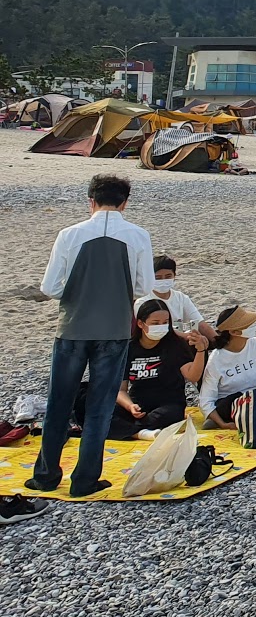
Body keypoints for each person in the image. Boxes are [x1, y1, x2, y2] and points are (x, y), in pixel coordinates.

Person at [28, 174, 156, 496]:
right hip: (114, 330)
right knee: (100, 407)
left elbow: (49, 288)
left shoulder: (69, 234)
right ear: (125, 202)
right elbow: (142, 288)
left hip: (73, 327)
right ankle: (85, 480)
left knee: (59, 402)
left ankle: (45, 476)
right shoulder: (138, 236)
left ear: (91, 200)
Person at [106, 299, 208, 440]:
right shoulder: (129, 349)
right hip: (138, 402)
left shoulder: (175, 345)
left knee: (166, 416)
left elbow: (192, 376)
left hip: (169, 403)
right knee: (104, 413)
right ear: (141, 324)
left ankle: (131, 430)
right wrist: (130, 406)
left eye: (165, 322)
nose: (161, 326)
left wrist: (201, 351)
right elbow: (120, 389)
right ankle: (140, 433)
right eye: (155, 323)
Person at [199, 306, 256, 429]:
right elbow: (206, 400)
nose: (253, 327)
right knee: (236, 402)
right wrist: (223, 424)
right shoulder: (217, 359)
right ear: (234, 332)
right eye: (248, 325)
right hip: (231, 403)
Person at [136, 255, 213, 340]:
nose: (163, 280)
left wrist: (218, 341)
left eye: (168, 276)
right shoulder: (142, 301)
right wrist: (188, 337)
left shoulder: (181, 298)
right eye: (158, 278)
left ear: (174, 276)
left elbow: (200, 323)